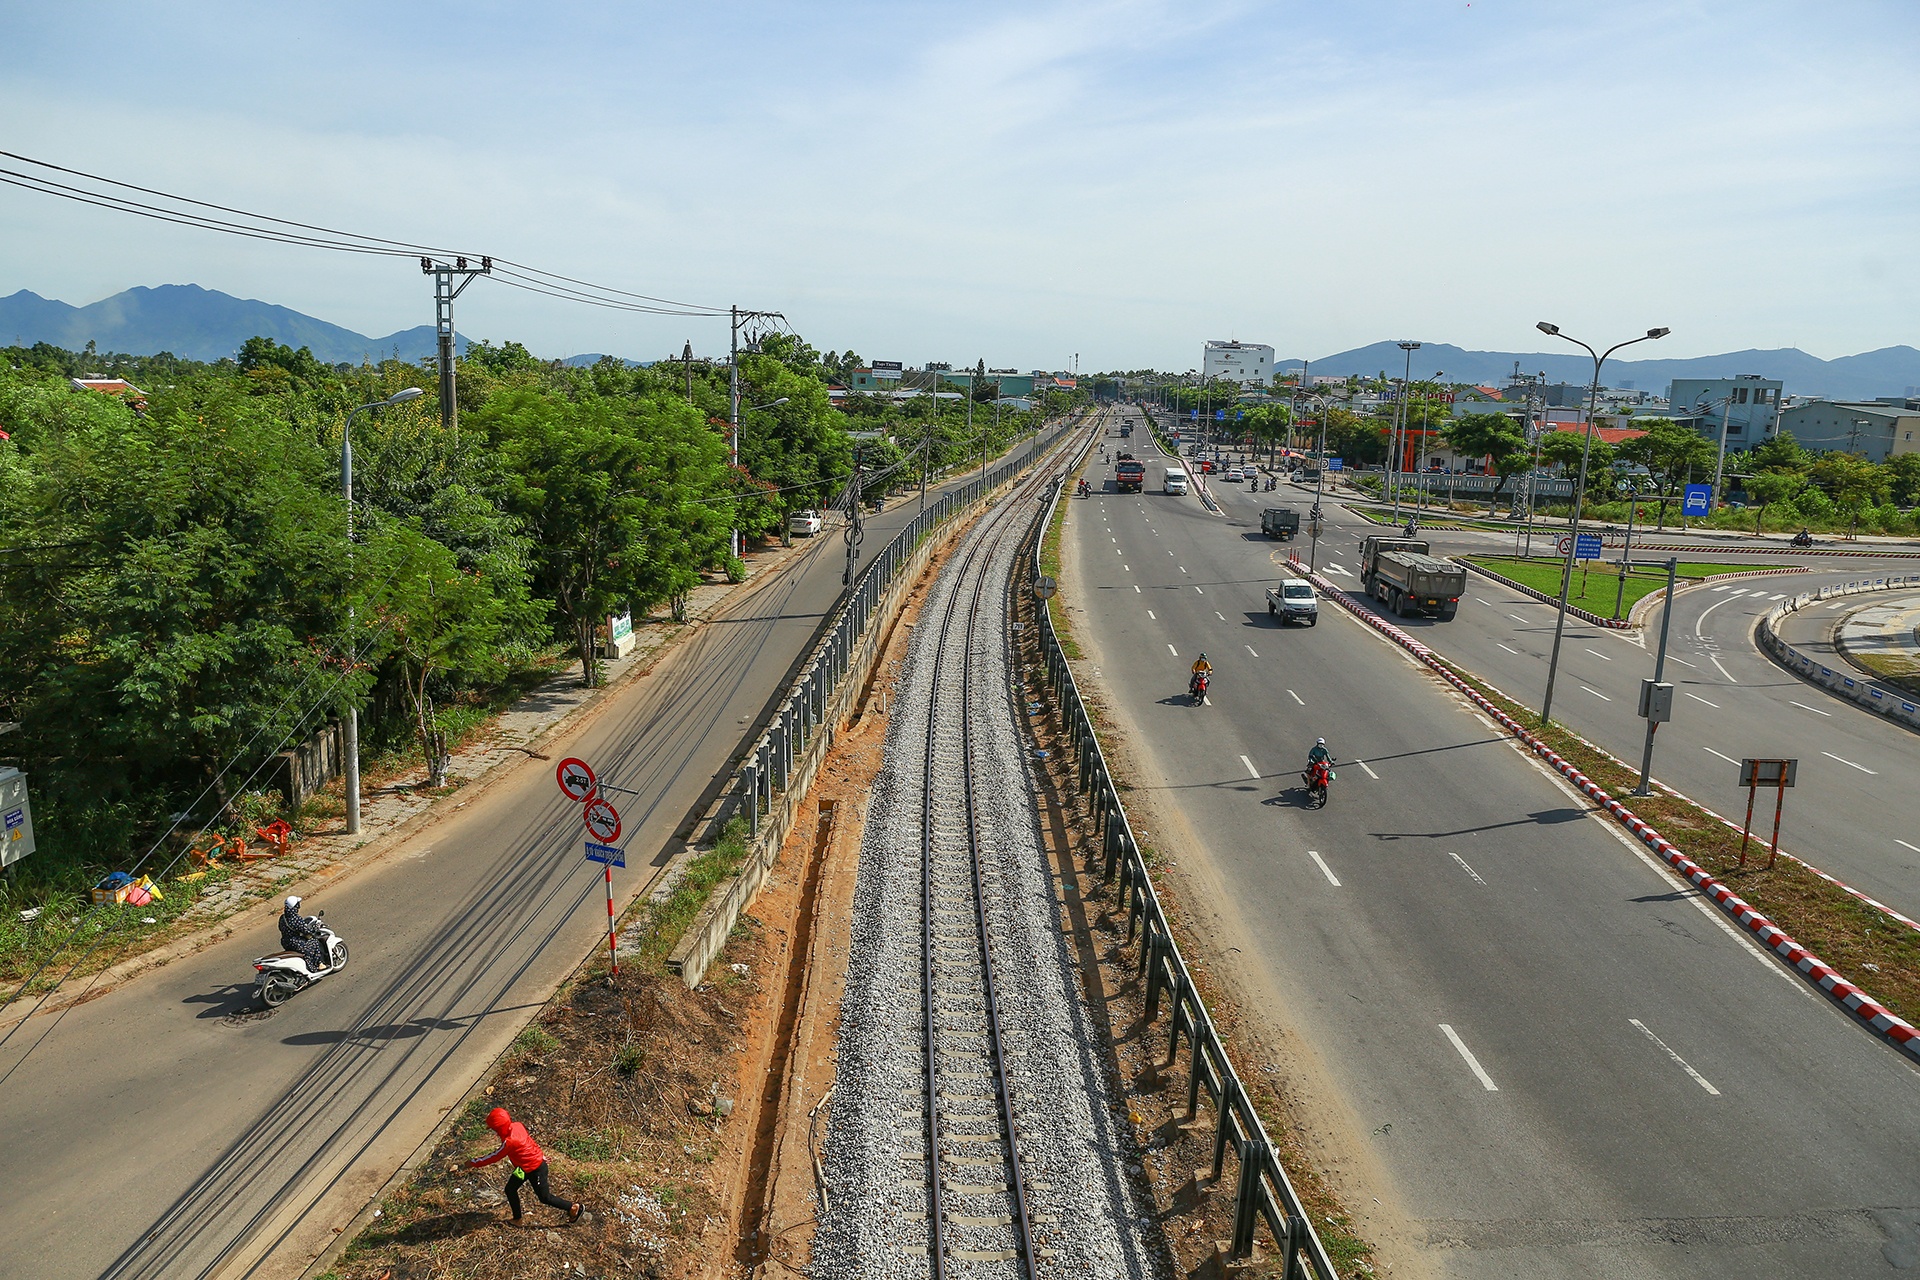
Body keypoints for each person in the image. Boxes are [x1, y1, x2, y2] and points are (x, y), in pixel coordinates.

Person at [464, 1106, 582, 1225]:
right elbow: (529, 1142)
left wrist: (474, 1163)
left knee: (545, 1198)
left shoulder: (510, 1142)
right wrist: (540, 1154)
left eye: (495, 1129)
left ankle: (572, 1208)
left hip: (536, 1170)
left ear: (500, 1128)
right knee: (510, 1189)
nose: (494, 1132)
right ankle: (517, 1219)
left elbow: (494, 1156)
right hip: (522, 1169)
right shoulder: (517, 1126)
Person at [278, 896, 329, 974]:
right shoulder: (295, 918)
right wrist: (315, 928)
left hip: (285, 942)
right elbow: (306, 931)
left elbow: (281, 928)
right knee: (314, 942)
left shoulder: (283, 917)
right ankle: (319, 964)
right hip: (295, 942)